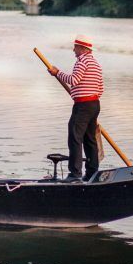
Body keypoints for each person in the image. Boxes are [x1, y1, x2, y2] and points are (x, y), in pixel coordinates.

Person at [47, 35, 104, 180]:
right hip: (94, 105)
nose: (73, 50)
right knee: (89, 139)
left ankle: (75, 173)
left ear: (82, 48)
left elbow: (73, 80)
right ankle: (92, 172)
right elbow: (101, 88)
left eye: (75, 47)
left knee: (75, 136)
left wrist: (57, 73)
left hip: (83, 105)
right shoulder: (96, 64)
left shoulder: (82, 61)